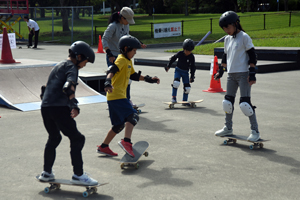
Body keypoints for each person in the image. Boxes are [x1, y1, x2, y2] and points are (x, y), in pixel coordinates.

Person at [38, 41, 98, 185]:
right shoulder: (72, 67)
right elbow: (69, 87)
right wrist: (73, 105)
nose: (84, 65)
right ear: (79, 57)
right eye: (85, 62)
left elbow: (45, 88)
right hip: (59, 108)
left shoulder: (58, 66)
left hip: (45, 107)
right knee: (77, 139)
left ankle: (46, 173)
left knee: (54, 138)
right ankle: (78, 175)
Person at [97, 35, 160, 157]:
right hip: (116, 95)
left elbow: (134, 75)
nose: (135, 53)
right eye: (134, 50)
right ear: (126, 48)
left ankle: (103, 147)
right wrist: (107, 82)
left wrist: (149, 79)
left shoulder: (128, 61)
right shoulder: (121, 59)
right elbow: (112, 70)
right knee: (133, 116)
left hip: (115, 97)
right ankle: (126, 142)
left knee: (118, 125)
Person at [214, 11, 260, 142]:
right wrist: (221, 71)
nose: (226, 30)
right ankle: (228, 127)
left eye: (227, 27)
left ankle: (255, 131)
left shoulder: (244, 37)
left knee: (245, 104)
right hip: (231, 75)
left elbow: (252, 55)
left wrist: (252, 73)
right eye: (224, 28)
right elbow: (225, 56)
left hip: (243, 74)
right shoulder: (227, 39)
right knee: (227, 103)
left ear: (235, 24)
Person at [102, 7, 146, 106]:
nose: (128, 23)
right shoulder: (113, 26)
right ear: (122, 18)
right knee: (115, 79)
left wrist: (139, 43)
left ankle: (127, 99)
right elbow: (104, 39)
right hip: (113, 56)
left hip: (123, 55)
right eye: (127, 20)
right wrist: (109, 53)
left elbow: (128, 37)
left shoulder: (126, 26)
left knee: (128, 79)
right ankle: (113, 100)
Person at [165, 39, 196, 106]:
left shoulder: (191, 57)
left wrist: (192, 76)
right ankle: (174, 98)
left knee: (187, 88)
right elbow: (173, 58)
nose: (188, 52)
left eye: (190, 51)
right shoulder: (180, 53)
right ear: (184, 49)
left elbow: (193, 67)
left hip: (186, 72)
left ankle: (184, 101)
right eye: (187, 51)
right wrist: (168, 66)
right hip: (178, 70)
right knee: (176, 83)